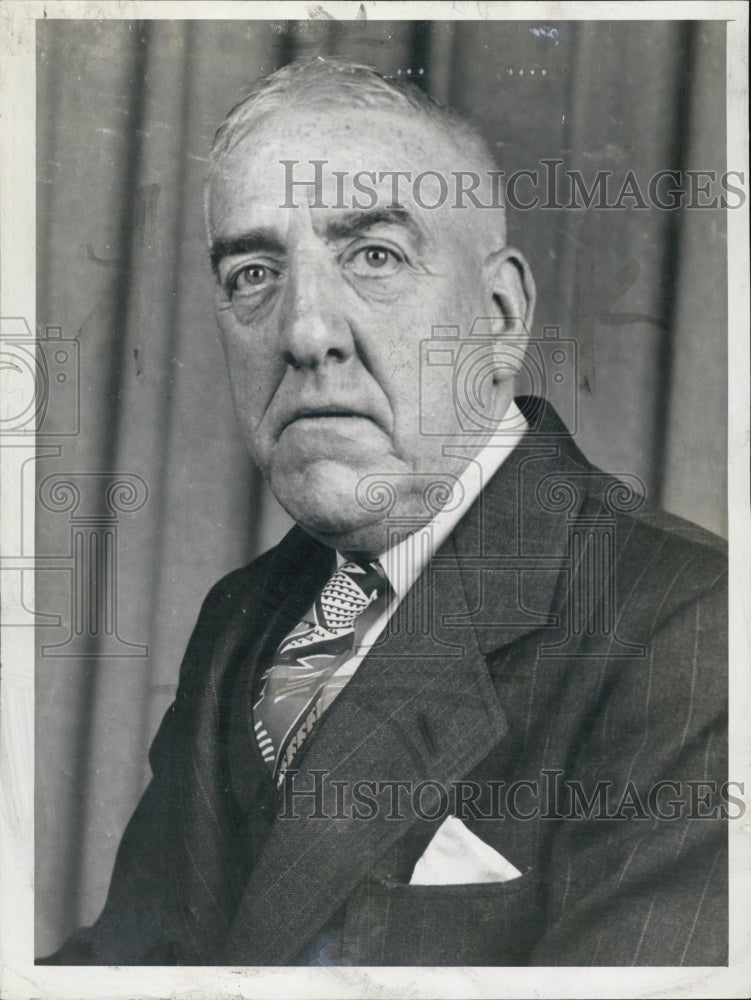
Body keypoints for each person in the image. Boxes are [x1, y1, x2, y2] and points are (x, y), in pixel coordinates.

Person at [41, 57, 728, 967]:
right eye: (252, 272)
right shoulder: (246, 614)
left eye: (374, 255)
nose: (303, 331)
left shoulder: (690, 625)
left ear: (499, 315)